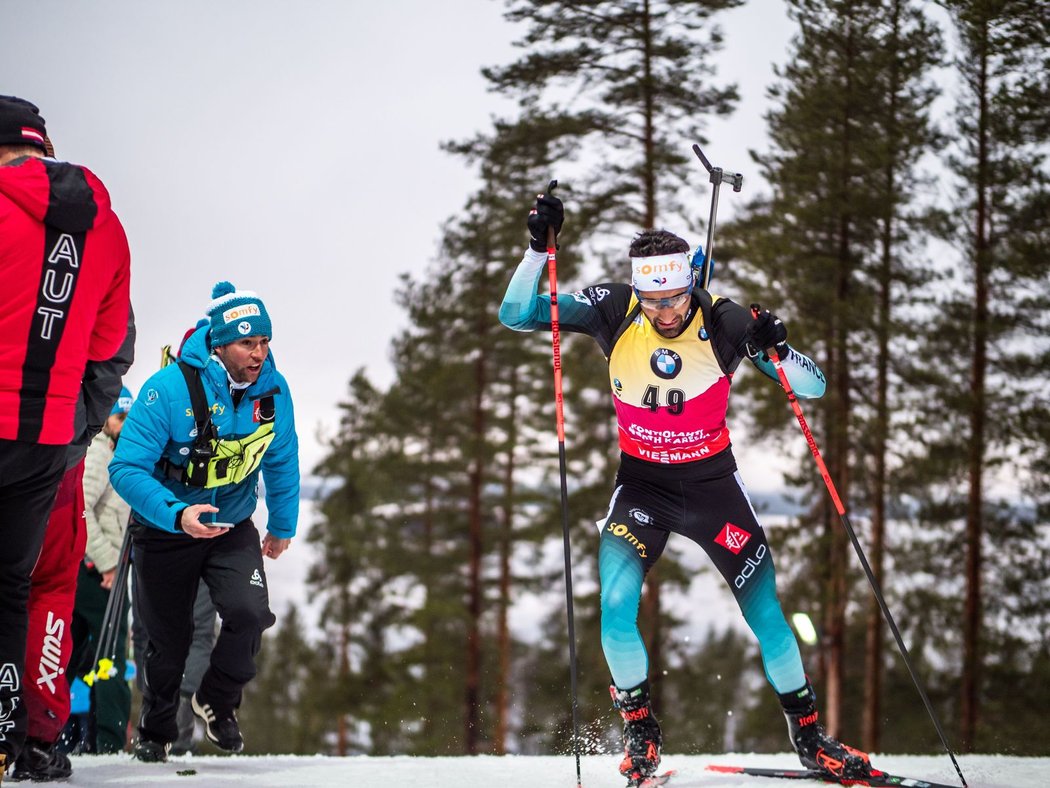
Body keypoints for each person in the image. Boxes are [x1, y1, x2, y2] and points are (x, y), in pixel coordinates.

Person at [498, 193, 872, 786]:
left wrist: (777, 343)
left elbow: (814, 386)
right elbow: (514, 314)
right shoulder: (615, 309)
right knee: (615, 612)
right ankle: (642, 735)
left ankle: (809, 739)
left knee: (766, 614)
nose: (665, 311)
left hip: (712, 488)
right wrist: (537, 251)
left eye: (674, 297)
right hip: (642, 488)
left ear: (690, 281)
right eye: (652, 300)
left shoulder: (722, 319)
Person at [109, 281, 300, 763]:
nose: (259, 353)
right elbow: (125, 468)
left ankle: (217, 699)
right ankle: (154, 731)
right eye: (247, 343)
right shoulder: (168, 389)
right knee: (168, 643)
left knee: (250, 613)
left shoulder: (272, 392)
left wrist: (282, 523)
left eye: (264, 342)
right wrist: (176, 513)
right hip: (167, 529)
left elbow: (282, 458)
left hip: (231, 525)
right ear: (218, 344)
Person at [0, 94, 131, 779]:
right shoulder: (105, 228)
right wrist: (75, 426)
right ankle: (26, 733)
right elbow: (113, 343)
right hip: (53, 446)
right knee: (29, 585)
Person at [66, 387, 136, 755]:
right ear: (106, 418)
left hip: (90, 569)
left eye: (128, 417)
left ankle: (51, 730)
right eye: (120, 417)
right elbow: (82, 511)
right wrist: (108, 562)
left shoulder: (109, 451)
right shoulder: (97, 453)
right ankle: (108, 740)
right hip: (96, 571)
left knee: (71, 652)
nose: (124, 425)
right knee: (110, 656)